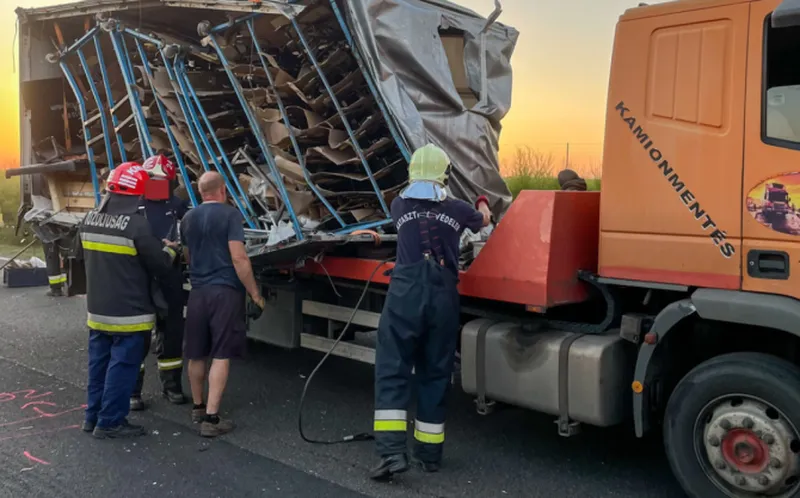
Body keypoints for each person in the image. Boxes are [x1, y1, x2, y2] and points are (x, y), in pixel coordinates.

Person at [371, 144, 491, 480]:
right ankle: (429, 455)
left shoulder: (398, 204)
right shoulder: (458, 209)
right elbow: (484, 221)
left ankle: (391, 454)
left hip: (405, 294)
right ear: (445, 175)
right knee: (436, 373)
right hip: (443, 297)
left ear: (412, 174)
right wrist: (482, 201)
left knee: (393, 369)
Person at [79, 162, 179, 439]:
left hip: (97, 312)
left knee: (98, 366)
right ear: (137, 193)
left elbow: (78, 255)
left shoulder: (88, 219)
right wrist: (171, 250)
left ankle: (92, 417)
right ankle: (110, 422)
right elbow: (159, 264)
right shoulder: (136, 225)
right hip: (129, 314)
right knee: (122, 368)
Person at [180, 171, 265, 438]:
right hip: (225, 292)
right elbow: (239, 258)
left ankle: (198, 407)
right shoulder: (230, 215)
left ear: (200, 192)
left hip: (197, 292)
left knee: (196, 353)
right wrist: (255, 293)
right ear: (223, 190)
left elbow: (187, 254)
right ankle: (212, 418)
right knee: (220, 353)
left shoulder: (188, 218)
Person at [130, 154, 191, 411]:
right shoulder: (134, 205)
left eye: (161, 181)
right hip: (141, 279)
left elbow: (189, 231)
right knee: (138, 336)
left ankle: (172, 386)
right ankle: (133, 391)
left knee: (172, 333)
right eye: (151, 179)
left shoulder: (177, 206)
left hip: (169, 278)